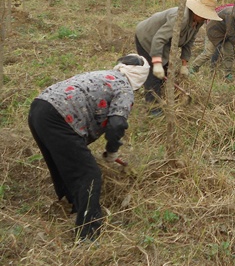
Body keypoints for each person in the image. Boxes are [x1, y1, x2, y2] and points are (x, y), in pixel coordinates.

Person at [28, 54, 150, 242]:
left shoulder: (104, 75)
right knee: (89, 174)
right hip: (60, 117)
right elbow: (117, 124)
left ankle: (71, 205)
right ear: (140, 77)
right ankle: (88, 233)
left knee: (62, 164)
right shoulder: (125, 88)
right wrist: (112, 150)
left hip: (39, 108)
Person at [134, 0, 221, 114]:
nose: (206, 19)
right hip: (148, 37)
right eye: (205, 15)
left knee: (164, 70)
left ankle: (160, 96)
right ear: (197, 11)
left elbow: (189, 42)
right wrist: (157, 62)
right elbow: (159, 39)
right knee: (153, 73)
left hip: (164, 44)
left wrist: (184, 64)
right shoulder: (181, 18)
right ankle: (153, 109)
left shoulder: (198, 21)